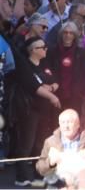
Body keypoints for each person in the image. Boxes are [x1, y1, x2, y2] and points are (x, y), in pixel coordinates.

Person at [12, 37, 62, 186]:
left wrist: (51, 88)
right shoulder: (25, 66)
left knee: (40, 143)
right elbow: (34, 86)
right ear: (33, 50)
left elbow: (56, 80)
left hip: (44, 111)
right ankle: (21, 176)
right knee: (26, 143)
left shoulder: (45, 64)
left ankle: (38, 173)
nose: (46, 49)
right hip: (29, 110)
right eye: (42, 47)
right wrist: (52, 96)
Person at [35, 109, 85, 187]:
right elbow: (40, 169)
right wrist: (50, 163)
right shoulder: (50, 141)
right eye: (63, 122)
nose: (66, 126)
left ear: (78, 124)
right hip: (59, 184)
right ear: (59, 124)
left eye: (70, 122)